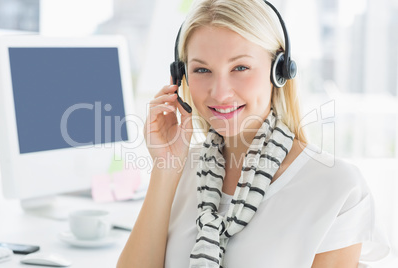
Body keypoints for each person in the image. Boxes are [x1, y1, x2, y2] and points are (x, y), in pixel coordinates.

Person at [117, 0, 390, 267]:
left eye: (240, 68)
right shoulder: (179, 172)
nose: (220, 92)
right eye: (202, 70)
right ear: (181, 77)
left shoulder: (337, 187)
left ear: (279, 71)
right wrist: (165, 167)